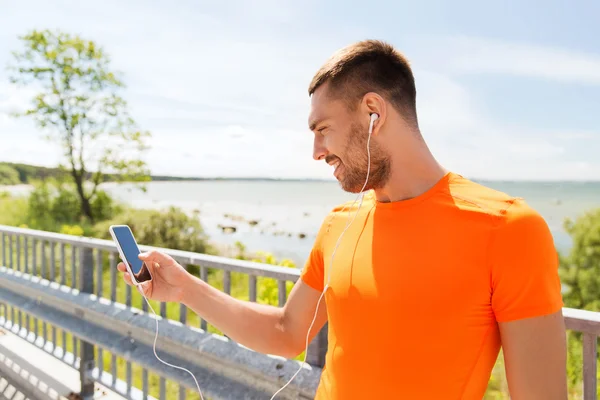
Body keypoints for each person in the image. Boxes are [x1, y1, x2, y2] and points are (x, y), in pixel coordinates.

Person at [118, 40, 568, 399]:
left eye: (322, 130)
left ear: (373, 112)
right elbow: (285, 332)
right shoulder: (340, 223)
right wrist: (184, 288)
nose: (316, 152)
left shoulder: (508, 228)